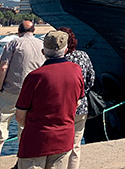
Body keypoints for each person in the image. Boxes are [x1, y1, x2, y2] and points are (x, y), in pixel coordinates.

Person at [15, 31, 84, 169]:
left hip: (36, 140)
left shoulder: (35, 77)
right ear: (65, 50)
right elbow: (77, 101)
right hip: (63, 138)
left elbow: (20, 115)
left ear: (43, 51)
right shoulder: (76, 71)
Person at [0, 20, 45, 169]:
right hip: (33, 92)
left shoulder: (13, 44)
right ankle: (22, 160)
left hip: (12, 90)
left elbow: (3, 67)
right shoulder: (41, 44)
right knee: (24, 127)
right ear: (34, 30)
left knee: (1, 123)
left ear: (19, 31)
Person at [56, 27, 95, 169]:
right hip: (81, 105)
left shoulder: (58, 59)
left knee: (60, 145)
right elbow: (91, 78)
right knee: (76, 145)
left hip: (61, 105)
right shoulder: (83, 55)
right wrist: (82, 92)